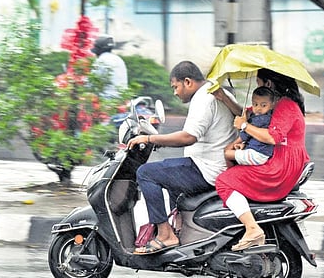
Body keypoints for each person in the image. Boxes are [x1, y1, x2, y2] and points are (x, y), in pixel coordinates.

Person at [127, 61, 238, 255]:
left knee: (146, 173)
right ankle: (179, 229)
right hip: (215, 165)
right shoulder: (216, 91)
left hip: (206, 169)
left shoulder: (204, 99)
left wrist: (149, 138)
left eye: (175, 87)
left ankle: (165, 235)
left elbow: (188, 137)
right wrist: (160, 140)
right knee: (168, 170)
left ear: (187, 82)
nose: (175, 93)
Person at [214, 68, 310, 251]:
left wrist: (243, 126)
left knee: (224, 181)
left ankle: (252, 229)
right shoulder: (272, 104)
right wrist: (224, 97)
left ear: (268, 84)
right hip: (279, 159)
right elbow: (247, 114)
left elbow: (272, 137)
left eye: (258, 83)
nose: (256, 88)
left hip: (280, 166)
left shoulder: (285, 105)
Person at [224, 86, 276, 167]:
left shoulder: (261, 119)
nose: (258, 108)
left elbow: (245, 134)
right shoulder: (261, 116)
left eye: (263, 105)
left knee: (227, 153)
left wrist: (232, 144)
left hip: (257, 154)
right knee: (237, 150)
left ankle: (230, 170)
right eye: (255, 104)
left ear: (272, 105)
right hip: (259, 151)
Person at [91, 34, 128, 99]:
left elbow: (92, 83)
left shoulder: (101, 60)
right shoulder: (119, 59)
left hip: (107, 99)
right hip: (122, 98)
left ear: (99, 49)